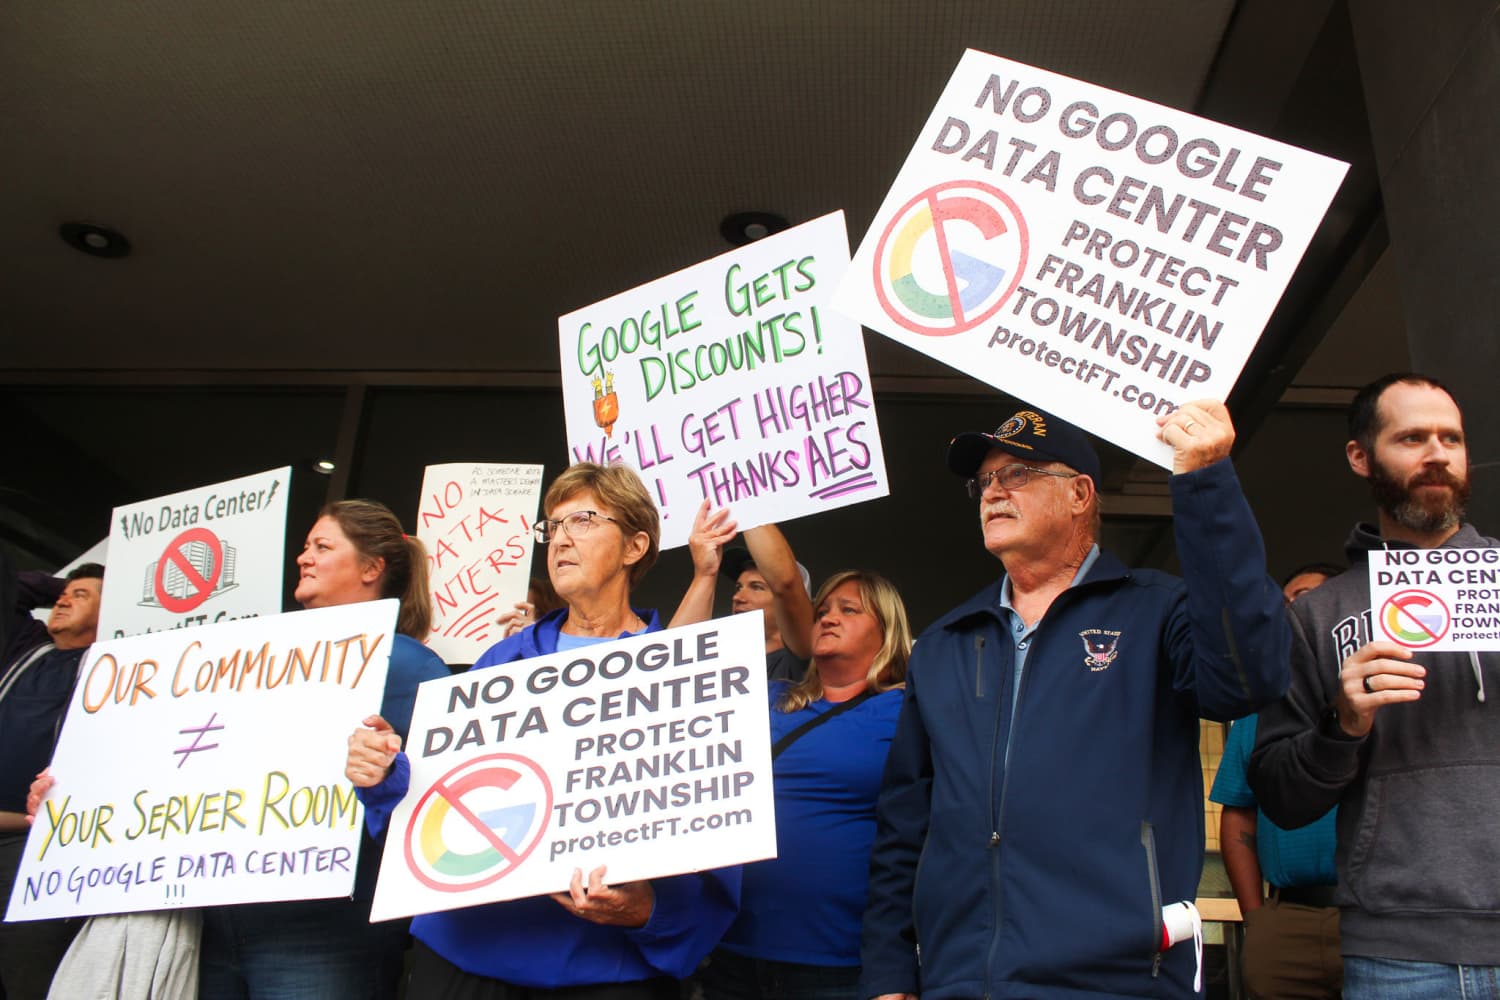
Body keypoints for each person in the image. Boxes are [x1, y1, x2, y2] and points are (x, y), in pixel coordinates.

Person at [861, 402, 1290, 998]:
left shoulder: (1157, 610)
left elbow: (1248, 679)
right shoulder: (944, 644)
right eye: (984, 481)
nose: (992, 493)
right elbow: (904, 826)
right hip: (961, 980)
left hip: (1119, 980)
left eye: (1017, 474)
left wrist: (1205, 481)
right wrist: (888, 974)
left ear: (1080, 494)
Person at [347, 462, 740, 998]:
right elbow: (436, 801)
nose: (559, 540)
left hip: (605, 972)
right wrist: (384, 773)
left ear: (634, 546)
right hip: (466, 959)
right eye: (552, 527)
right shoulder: (500, 663)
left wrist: (652, 909)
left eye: (582, 520)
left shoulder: (681, 670)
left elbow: (711, 825)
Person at [1249, 373, 1500, 998]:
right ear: (1361, 457)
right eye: (1412, 438)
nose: (1437, 454)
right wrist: (1343, 725)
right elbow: (1280, 795)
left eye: (1452, 438)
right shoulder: (1316, 613)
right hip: (1398, 947)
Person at [194, 499, 449, 998]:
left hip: (327, 931)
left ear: (372, 568)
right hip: (220, 919)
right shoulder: (253, 660)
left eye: (322, 546)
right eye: (306, 546)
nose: (303, 557)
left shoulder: (413, 668)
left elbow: (437, 802)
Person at [700, 570, 910, 1000]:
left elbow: (919, 839)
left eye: (848, 610)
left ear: (887, 630)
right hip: (730, 955)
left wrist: (896, 971)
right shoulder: (768, 696)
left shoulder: (909, 709)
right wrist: (705, 571)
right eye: (822, 611)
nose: (829, 618)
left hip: (836, 964)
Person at [1210, 563, 1343, 1000]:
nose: (1289, 612)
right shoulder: (1262, 709)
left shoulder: (1382, 694)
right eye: (1284, 604)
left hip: (1376, 917)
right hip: (1288, 920)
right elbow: (1239, 815)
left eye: (1302, 598)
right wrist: (1257, 919)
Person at [0, 562, 104, 1000]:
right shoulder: (26, 646)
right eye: (64, 593)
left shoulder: (115, 667)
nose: (62, 600)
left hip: (38, 848)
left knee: (25, 976)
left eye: (81, 596)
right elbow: (12, 587)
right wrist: (65, 585)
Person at [674, 501, 815, 683]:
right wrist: (705, 574)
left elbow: (786, 583)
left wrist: (741, 499)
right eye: (739, 587)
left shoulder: (805, 661)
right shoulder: (718, 667)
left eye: (756, 587)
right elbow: (673, 658)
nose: (738, 597)